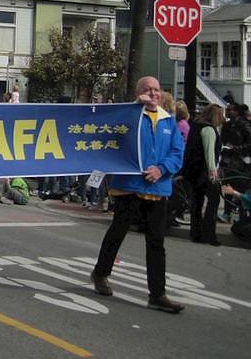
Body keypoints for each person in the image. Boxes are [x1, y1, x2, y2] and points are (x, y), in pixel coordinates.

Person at [91, 76, 185, 313]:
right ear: (139, 93)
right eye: (148, 89)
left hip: (157, 189)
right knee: (117, 233)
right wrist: (135, 107)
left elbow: (177, 152)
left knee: (156, 242)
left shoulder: (168, 121)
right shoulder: (129, 116)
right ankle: (101, 273)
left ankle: (157, 294)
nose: (154, 93)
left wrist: (161, 169)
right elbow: (111, 135)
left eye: (157, 89)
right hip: (129, 187)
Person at [182, 103, 224, 246]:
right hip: (204, 173)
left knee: (197, 203)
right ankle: (209, 233)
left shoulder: (195, 126)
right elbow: (209, 153)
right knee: (213, 201)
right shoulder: (209, 130)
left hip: (193, 171)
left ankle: (196, 232)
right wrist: (213, 173)